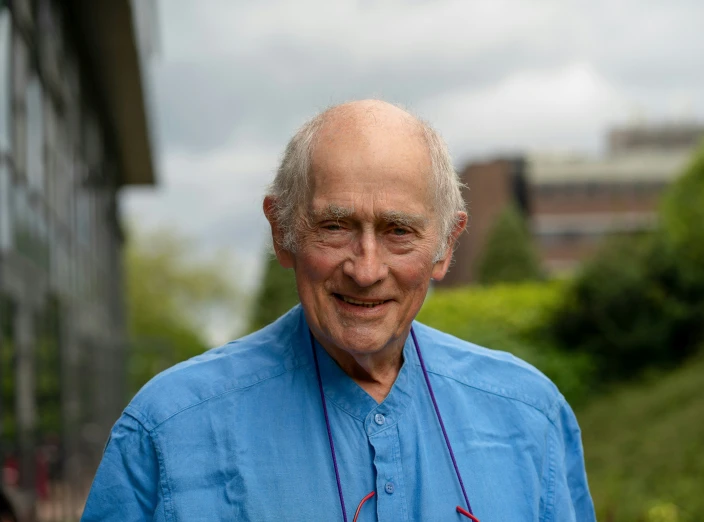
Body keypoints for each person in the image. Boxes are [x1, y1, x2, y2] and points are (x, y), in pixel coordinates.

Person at [81, 100, 595, 521]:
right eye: (335, 226)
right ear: (282, 232)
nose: (366, 270)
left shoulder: (530, 417)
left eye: (399, 231)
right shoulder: (167, 429)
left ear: (445, 247)